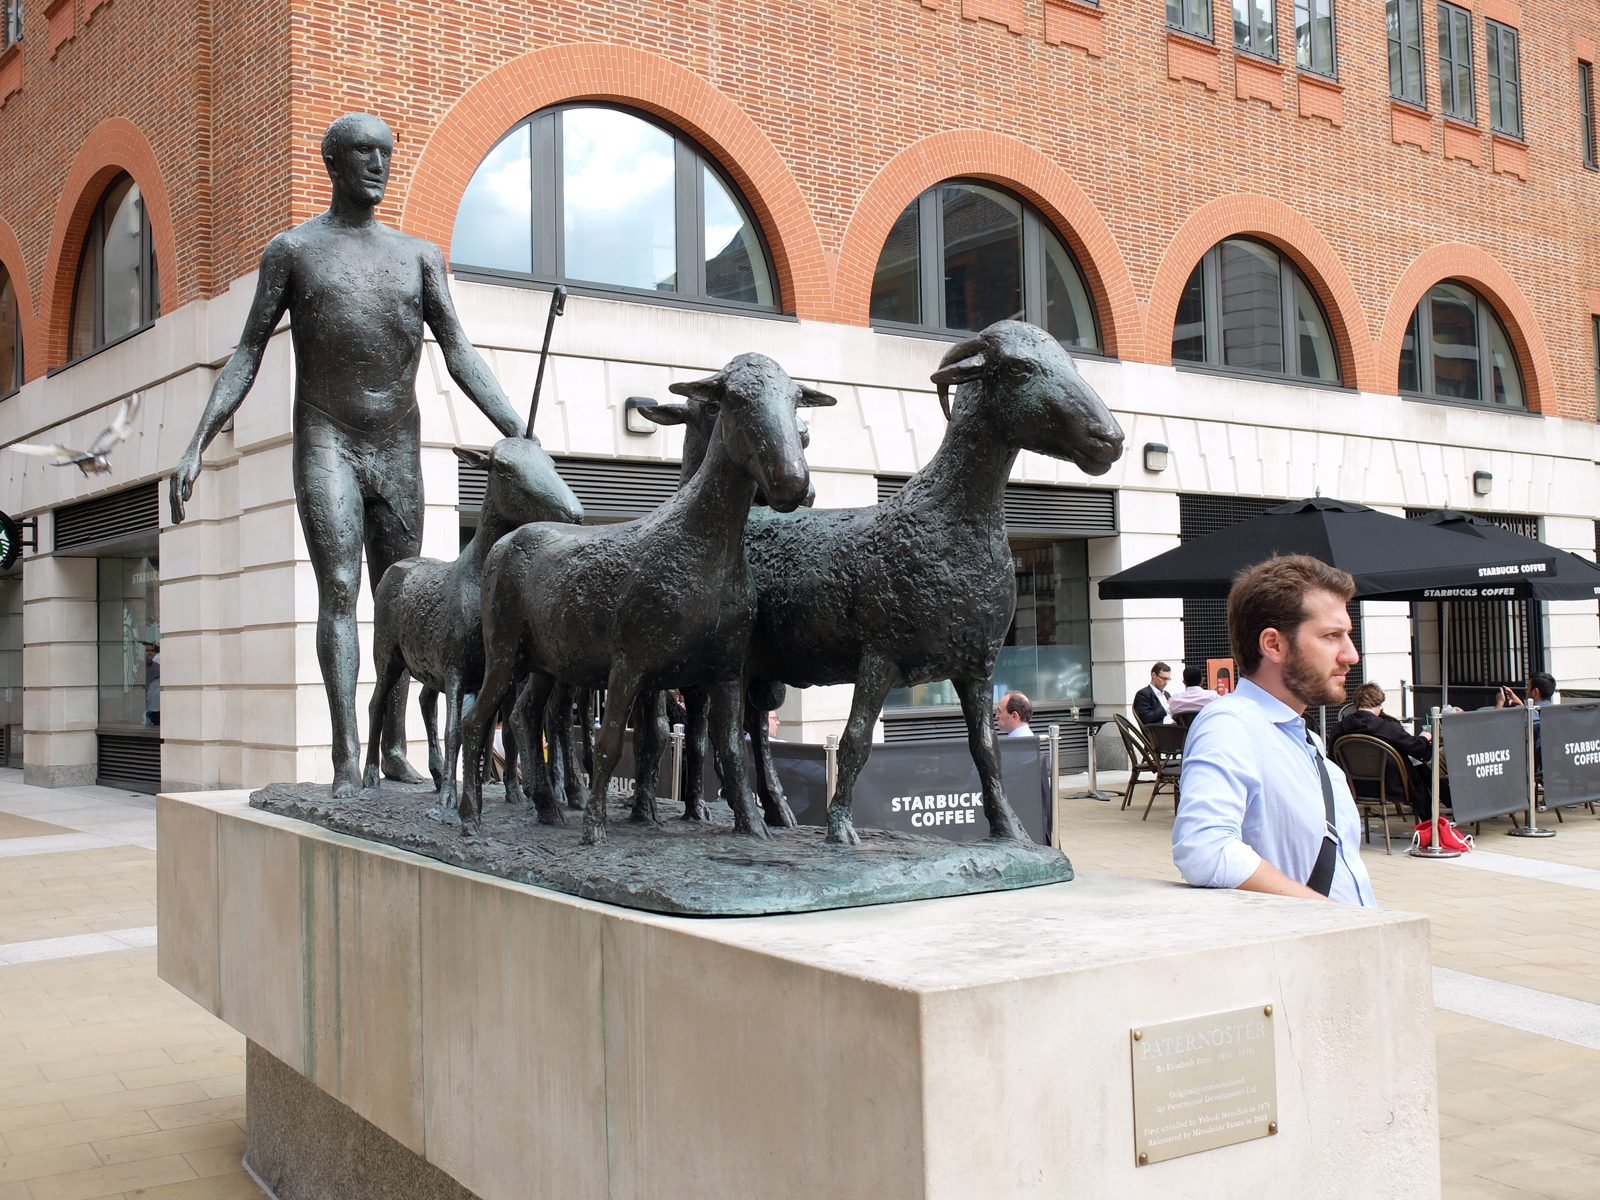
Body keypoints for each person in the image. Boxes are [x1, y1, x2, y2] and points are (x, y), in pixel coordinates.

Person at [168, 114, 529, 797]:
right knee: (339, 588)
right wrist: (197, 442)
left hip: (397, 441)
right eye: (364, 152)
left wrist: (516, 424)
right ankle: (345, 756)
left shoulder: (420, 256)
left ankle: (394, 747)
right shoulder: (293, 252)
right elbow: (246, 353)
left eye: (386, 153)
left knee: (400, 594)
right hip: (328, 436)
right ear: (333, 162)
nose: (379, 164)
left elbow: (459, 352)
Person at [1172, 555, 1375, 906]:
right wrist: (1332, 915)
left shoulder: (1303, 737)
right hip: (1312, 946)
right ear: (1274, 645)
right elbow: (1204, 849)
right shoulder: (1231, 724)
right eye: (1331, 636)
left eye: (1348, 636)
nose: (1351, 654)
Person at [1327, 682, 1434, 817]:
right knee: (1420, 772)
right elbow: (1417, 749)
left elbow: (1332, 760)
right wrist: (1424, 738)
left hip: (1351, 787)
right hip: (1390, 787)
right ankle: (1431, 824)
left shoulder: (1338, 729)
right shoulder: (1388, 728)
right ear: (1378, 704)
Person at [1493, 671, 1556, 767]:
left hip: (1520, 763)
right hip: (1546, 763)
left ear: (1535, 691)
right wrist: (1518, 702)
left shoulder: (1523, 713)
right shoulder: (1556, 713)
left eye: (1528, 687)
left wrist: (1500, 702)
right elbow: (1531, 715)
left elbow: (1493, 723)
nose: (1526, 691)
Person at [144, 642, 161, 727]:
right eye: (147, 650)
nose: (150, 653)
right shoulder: (138, 667)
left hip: (152, 703)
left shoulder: (158, 667)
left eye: (152, 651)